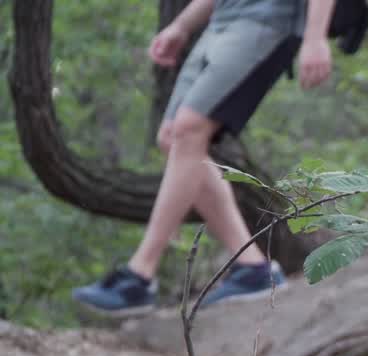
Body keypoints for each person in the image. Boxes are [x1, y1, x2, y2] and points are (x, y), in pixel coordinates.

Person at [73, 0, 335, 315]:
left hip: (268, 19)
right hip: (223, 19)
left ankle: (140, 275)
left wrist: (315, 36)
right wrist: (181, 26)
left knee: (188, 129)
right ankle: (252, 269)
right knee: (172, 137)